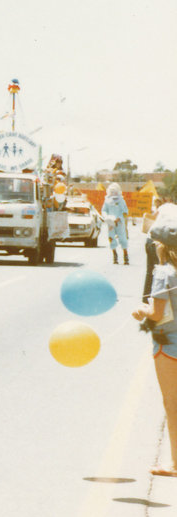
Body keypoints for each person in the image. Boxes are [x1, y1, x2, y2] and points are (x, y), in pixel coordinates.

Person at [131, 204, 177, 478]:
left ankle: (175, 463)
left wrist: (141, 313)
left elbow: (157, 314)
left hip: (169, 348)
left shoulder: (164, 274)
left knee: (172, 405)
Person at [103, 182, 129, 265]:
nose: (113, 193)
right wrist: (107, 217)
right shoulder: (107, 200)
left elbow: (125, 211)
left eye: (114, 191)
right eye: (111, 191)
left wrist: (119, 218)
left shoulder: (121, 200)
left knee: (122, 238)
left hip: (119, 222)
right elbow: (104, 210)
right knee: (111, 238)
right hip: (111, 222)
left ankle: (125, 254)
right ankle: (115, 254)